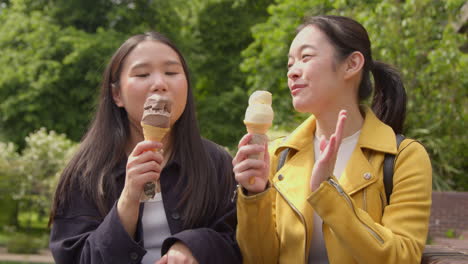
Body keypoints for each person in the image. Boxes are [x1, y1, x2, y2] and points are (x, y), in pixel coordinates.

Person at [233, 15, 432, 264]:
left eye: (306, 57)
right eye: (290, 63)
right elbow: (259, 259)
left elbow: (401, 257)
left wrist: (328, 194)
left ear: (352, 64)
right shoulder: (278, 155)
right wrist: (255, 195)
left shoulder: (404, 157)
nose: (292, 72)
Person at [48, 31, 241, 264]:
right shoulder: (86, 172)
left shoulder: (216, 162)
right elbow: (75, 258)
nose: (160, 84)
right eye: (142, 74)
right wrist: (129, 198)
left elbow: (238, 244)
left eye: (171, 72)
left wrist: (193, 247)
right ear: (117, 94)